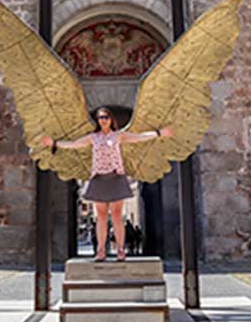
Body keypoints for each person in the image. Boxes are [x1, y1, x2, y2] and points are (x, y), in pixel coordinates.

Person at [41, 107, 173, 262]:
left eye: (106, 117)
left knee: (117, 216)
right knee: (102, 217)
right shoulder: (93, 137)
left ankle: (120, 250)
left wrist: (159, 134)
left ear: (111, 119)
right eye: (100, 117)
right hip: (98, 178)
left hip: (116, 177)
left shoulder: (119, 136)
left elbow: (139, 137)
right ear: (97, 121)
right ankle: (101, 250)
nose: (103, 120)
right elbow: (74, 144)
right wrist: (55, 143)